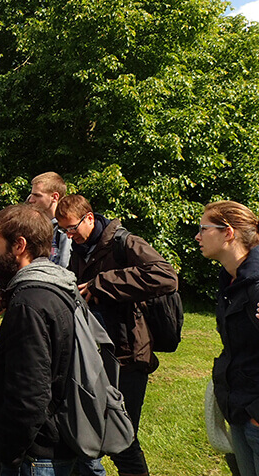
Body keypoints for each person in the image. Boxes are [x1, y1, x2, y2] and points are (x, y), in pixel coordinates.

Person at [55, 194, 178, 476]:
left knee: (123, 437)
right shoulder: (81, 246)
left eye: (72, 228)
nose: (69, 237)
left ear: (89, 218)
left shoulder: (125, 243)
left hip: (129, 353)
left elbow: (166, 276)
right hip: (97, 353)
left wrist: (102, 283)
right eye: (64, 231)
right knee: (84, 428)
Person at [0, 204, 78, 476]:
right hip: (54, 442)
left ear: (19, 245)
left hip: (36, 455)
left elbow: (30, 392)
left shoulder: (30, 303)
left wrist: (8, 451)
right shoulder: (59, 285)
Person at [197, 200, 259, 476]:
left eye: (203, 229)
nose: (197, 236)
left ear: (228, 233)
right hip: (238, 410)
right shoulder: (230, 280)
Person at [26, 172, 71, 268]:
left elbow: (64, 266)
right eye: (31, 195)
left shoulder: (65, 229)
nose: (31, 200)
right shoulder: (35, 227)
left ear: (54, 197)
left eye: (37, 195)